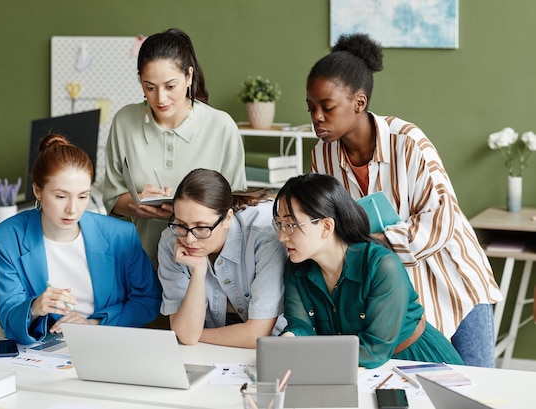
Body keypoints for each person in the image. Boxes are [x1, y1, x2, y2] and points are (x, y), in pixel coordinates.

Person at [306, 33, 502, 367]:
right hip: (399, 296)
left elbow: (441, 219)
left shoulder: (407, 141)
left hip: (453, 282)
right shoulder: (321, 158)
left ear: (359, 103)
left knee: (474, 389)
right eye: (311, 108)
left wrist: (375, 241)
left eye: (327, 107)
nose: (317, 117)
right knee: (423, 389)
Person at [273, 173, 464, 369]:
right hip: (352, 367)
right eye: (279, 224)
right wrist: (289, 339)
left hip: (416, 361)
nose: (281, 236)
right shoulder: (296, 267)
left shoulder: (381, 265)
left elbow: (374, 349)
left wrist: (309, 354)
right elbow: (301, 325)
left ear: (326, 226)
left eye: (290, 225)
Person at [0, 134, 161, 345]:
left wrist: (93, 324)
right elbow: (8, 316)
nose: (72, 209)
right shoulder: (8, 238)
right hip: (45, 348)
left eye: (82, 196)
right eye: (61, 196)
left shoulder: (121, 235)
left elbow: (148, 300)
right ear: (38, 191)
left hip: (109, 342)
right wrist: (35, 307)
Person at [103, 28, 246, 266]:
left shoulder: (221, 126)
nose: (160, 99)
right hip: (141, 264)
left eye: (170, 86)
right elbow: (111, 199)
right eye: (150, 87)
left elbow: (236, 205)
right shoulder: (124, 122)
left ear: (189, 77)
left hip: (204, 265)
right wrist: (137, 204)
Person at [157, 169, 287, 349]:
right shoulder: (170, 242)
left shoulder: (264, 235)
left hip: (272, 350)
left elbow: (256, 336)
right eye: (181, 224)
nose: (189, 239)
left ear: (227, 218)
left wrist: (194, 334)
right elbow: (186, 334)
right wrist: (198, 271)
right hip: (213, 351)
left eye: (201, 227)